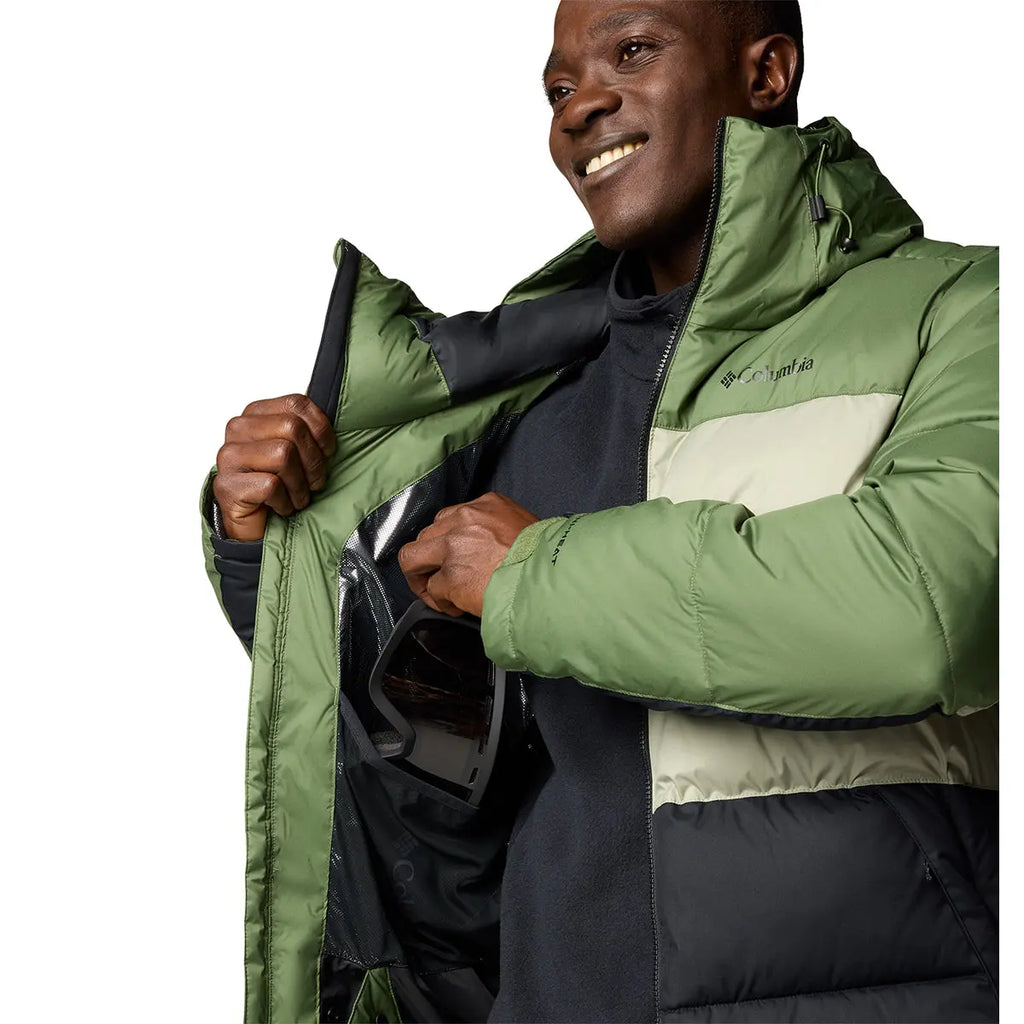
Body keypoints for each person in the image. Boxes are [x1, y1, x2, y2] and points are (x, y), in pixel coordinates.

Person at [202, 2, 998, 1021]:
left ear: (766, 74)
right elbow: (415, 740)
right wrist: (273, 544)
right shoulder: (528, 404)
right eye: (558, 86)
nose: (580, 106)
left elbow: (932, 606)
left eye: (632, 51)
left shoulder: (966, 311)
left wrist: (536, 575)